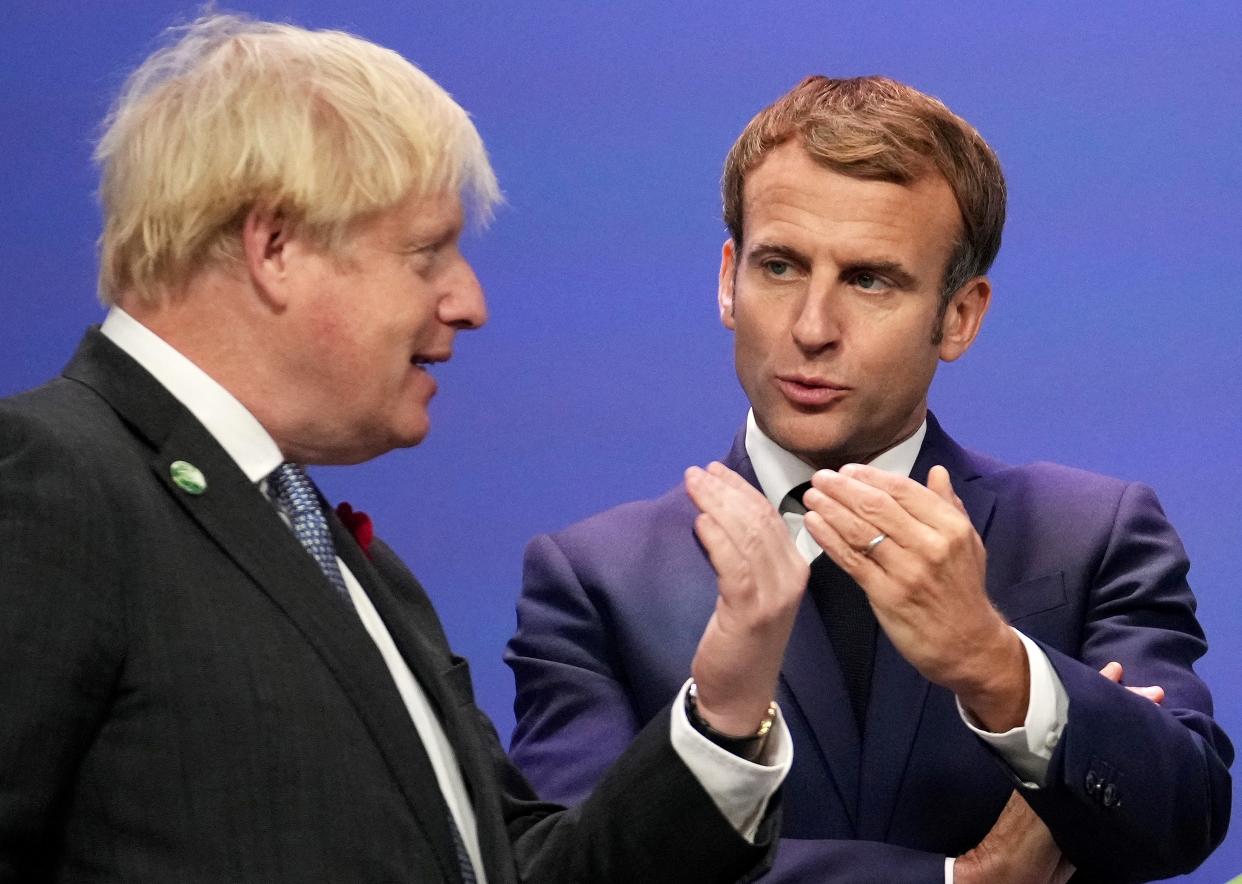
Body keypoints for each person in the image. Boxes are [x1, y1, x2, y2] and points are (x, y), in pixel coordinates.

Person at [0, 15, 810, 883]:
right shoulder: (49, 483)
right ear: (274, 246)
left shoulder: (339, 555)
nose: (469, 301)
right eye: (427, 254)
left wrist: (725, 713)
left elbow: (521, 868)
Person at [506, 75, 1233, 882]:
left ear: (960, 315)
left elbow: (1183, 813)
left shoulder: (1091, 533)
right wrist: (961, 882)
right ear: (726, 280)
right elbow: (566, 870)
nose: (812, 329)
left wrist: (994, 663)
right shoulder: (594, 581)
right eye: (778, 266)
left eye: (870, 280)